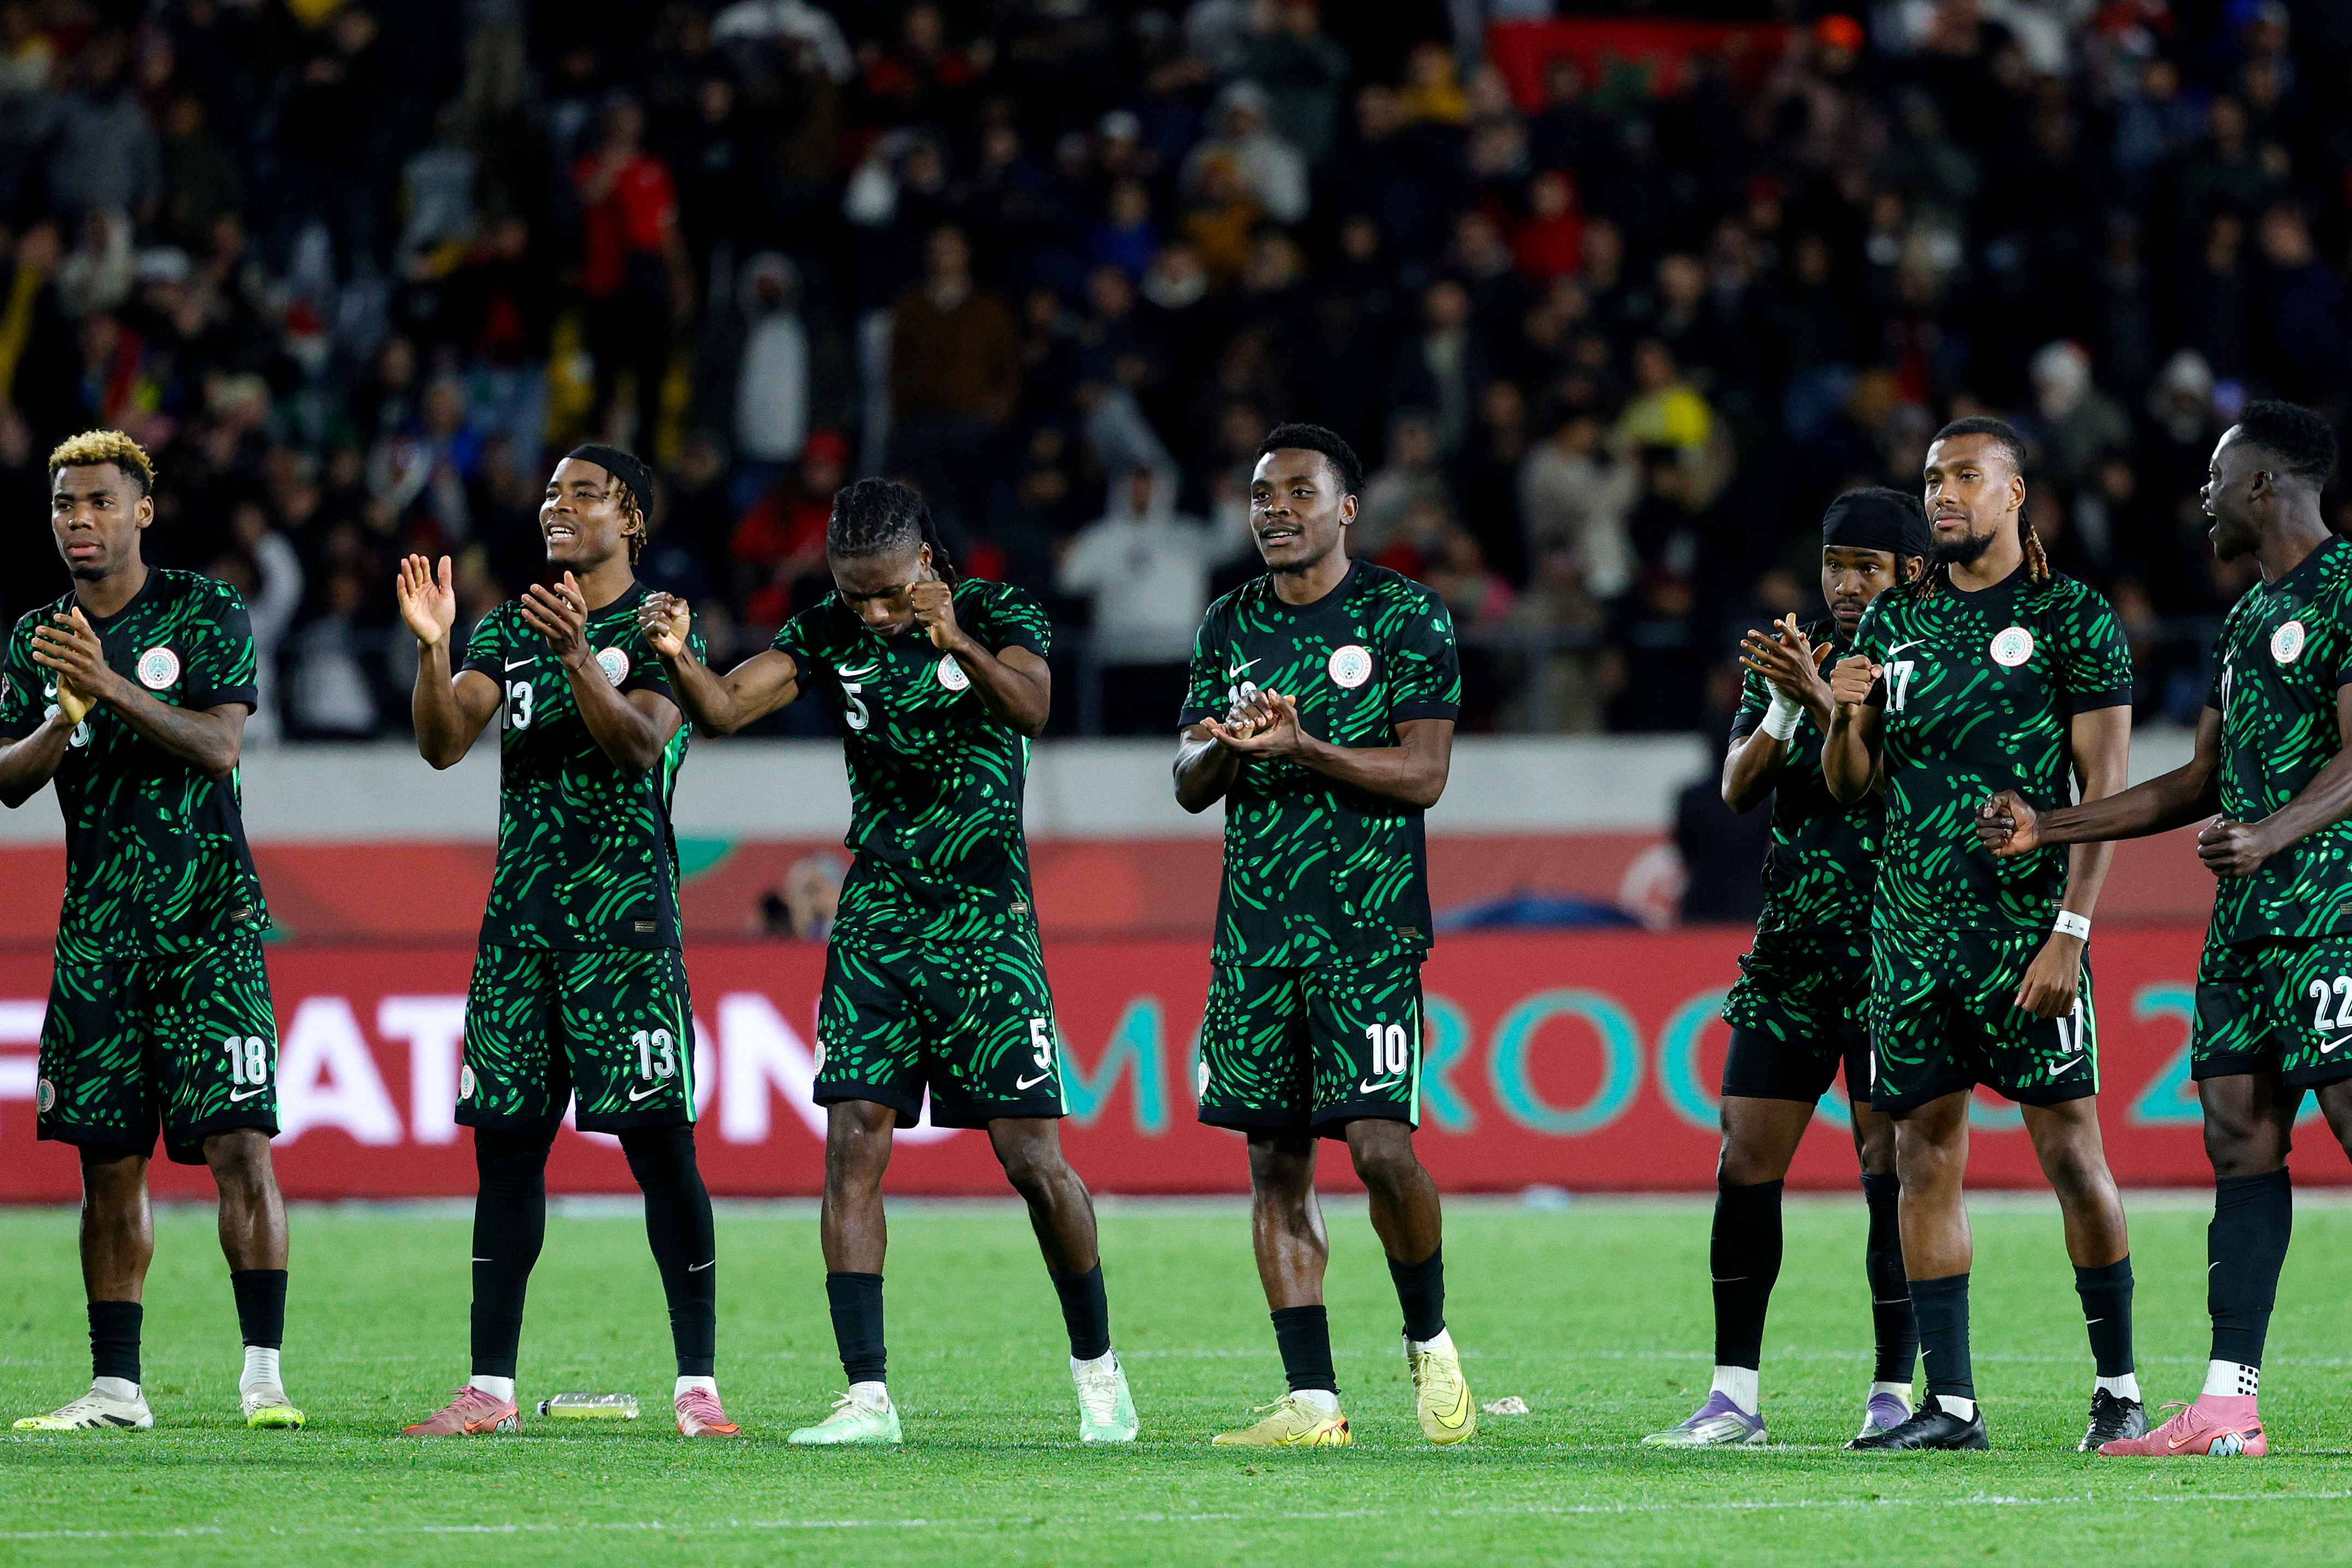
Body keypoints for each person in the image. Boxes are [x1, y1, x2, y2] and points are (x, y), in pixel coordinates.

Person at [637, 477, 1137, 1447]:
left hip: (986, 922)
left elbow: (1033, 705)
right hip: (879, 919)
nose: (869, 611)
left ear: (925, 561)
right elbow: (733, 704)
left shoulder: (997, 609)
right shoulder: (830, 628)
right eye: (851, 590)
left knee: (1033, 1161)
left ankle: (1100, 1375)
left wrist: (955, 640)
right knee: (854, 1141)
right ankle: (868, 1396)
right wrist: (678, 660)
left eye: (885, 591)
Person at [1978, 402, 2352, 1459]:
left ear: (2262, 487)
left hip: (2332, 915)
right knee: (2237, 1136)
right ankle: (2227, 1406)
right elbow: (2196, 782)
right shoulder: (2240, 621)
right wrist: (2045, 825)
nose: (2200, 495)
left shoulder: (2346, 591)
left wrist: (2271, 833)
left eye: (2213, 476)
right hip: (2242, 927)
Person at [394, 445, 736, 1440]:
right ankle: (488, 1390)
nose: (557, 507)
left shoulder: (660, 622)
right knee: (506, 1153)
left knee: (660, 1150)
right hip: (520, 934)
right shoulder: (508, 626)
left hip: (625, 932)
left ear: (630, 516)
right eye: (549, 493)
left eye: (581, 494)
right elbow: (443, 741)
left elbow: (640, 746)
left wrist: (583, 654)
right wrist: (433, 648)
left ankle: (697, 1387)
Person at [1823, 418, 2143, 1452]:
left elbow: (2106, 792)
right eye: (1932, 479)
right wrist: (1840, 716)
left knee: (2072, 1155)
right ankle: (1952, 1404)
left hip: (2025, 938)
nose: (1944, 494)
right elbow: (1852, 790)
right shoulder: (1895, 621)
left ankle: (2120, 1387)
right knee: (1924, 1158)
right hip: (1912, 942)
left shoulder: (2069, 615)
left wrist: (2072, 932)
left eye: (1967, 477)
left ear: (2016, 494)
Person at [1172, 423, 1471, 1447]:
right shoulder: (1227, 624)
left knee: (1384, 1149)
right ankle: (1311, 1400)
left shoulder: (1403, 615)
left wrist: (1304, 743)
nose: (1275, 511)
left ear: (1346, 508)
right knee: (1276, 1164)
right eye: (1262, 495)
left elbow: (1424, 774)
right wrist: (1229, 748)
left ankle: (1431, 1344)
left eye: (1299, 493)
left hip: (1369, 931)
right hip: (1257, 934)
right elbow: (1185, 782)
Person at [2, 429, 298, 1433]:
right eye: (62, 505)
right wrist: (60, 717)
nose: (77, 521)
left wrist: (114, 687)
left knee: (239, 1145)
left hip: (209, 922)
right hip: (98, 935)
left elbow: (218, 747)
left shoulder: (205, 610)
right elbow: (9, 779)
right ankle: (117, 1388)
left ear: (142, 511)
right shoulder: (34, 636)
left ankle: (263, 1375)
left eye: (96, 502)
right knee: (106, 1165)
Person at [1644, 488, 1930, 1448]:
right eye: (1834, 565)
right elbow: (1736, 789)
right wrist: (1780, 701)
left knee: (1886, 1170)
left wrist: (1819, 699)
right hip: (1794, 950)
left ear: (1910, 572)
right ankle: (1734, 1397)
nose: (1845, 585)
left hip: (1894, 949)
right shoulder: (1796, 647)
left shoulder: (1932, 658)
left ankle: (1893, 1391)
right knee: (1744, 1158)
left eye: (1867, 568)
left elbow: (1902, 793)